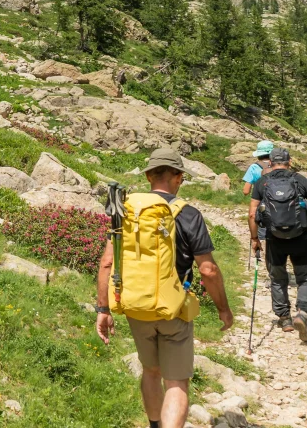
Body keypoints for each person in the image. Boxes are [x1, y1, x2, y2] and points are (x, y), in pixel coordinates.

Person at [96, 147, 233, 428]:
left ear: (148, 176)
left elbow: (107, 263)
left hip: (135, 305)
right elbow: (207, 270)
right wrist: (224, 309)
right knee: (176, 383)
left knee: (150, 371)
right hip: (173, 309)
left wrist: (103, 308)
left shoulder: (127, 210)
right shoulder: (188, 214)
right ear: (178, 177)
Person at [247, 147, 307, 342]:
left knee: (278, 278)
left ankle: (285, 319)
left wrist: (255, 239)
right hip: (300, 237)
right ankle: (304, 313)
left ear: (270, 163)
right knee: (305, 278)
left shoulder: (262, 182)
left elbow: (252, 214)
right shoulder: (299, 179)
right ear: (289, 162)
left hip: (274, 239)